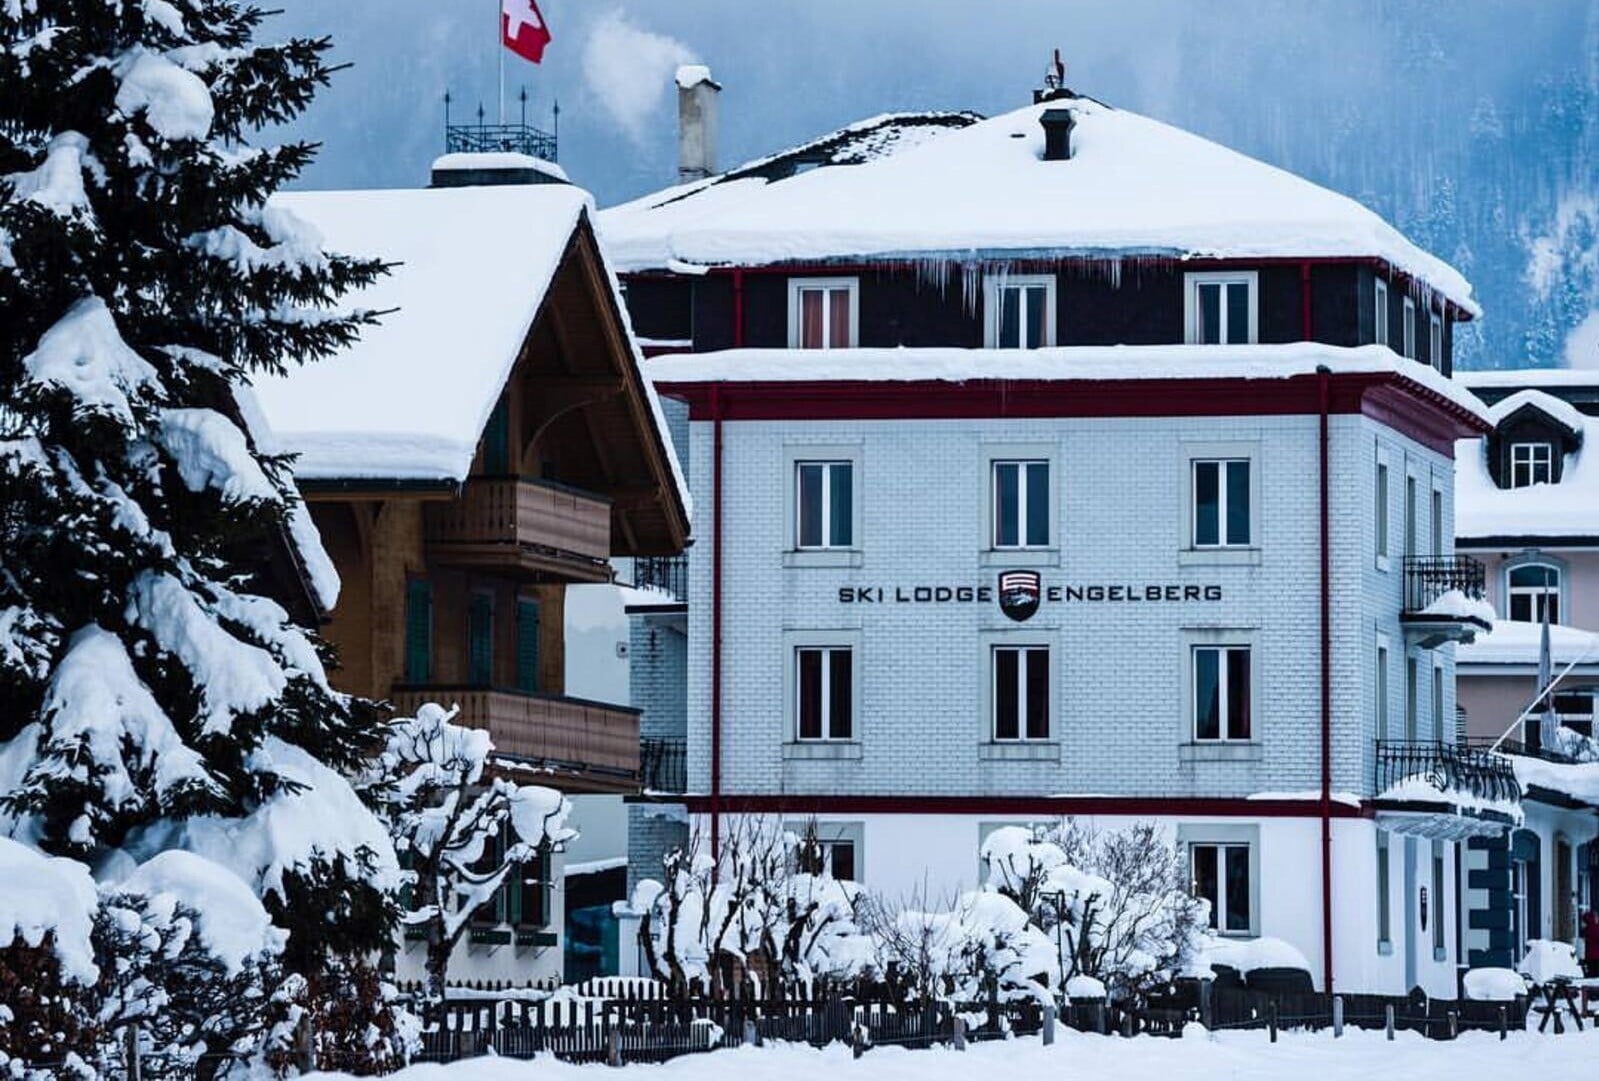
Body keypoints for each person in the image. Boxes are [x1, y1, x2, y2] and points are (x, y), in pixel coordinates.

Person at [1581, 908, 1599, 978]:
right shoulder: (1595, 928)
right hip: (1597, 956)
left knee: (1592, 974)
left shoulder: (1586, 929)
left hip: (1589, 956)